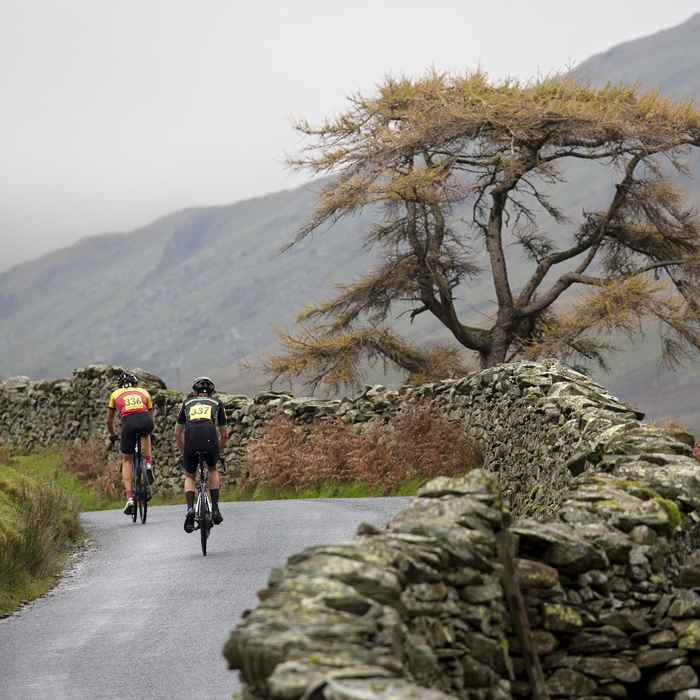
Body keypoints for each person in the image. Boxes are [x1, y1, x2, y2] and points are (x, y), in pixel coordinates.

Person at [174, 376, 228, 532]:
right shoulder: (217, 403)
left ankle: (190, 508)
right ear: (211, 394)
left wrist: (185, 453)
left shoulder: (187, 403)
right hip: (210, 438)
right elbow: (224, 435)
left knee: (190, 476)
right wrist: (218, 453)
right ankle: (216, 509)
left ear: (194, 392)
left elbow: (177, 433)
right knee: (213, 469)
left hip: (190, 439)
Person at [106, 371, 155, 516]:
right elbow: (152, 418)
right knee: (147, 433)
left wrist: (114, 435)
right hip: (145, 418)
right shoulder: (144, 392)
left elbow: (109, 421)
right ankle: (148, 463)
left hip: (128, 422)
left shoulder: (115, 394)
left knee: (127, 460)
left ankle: (130, 498)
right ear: (135, 384)